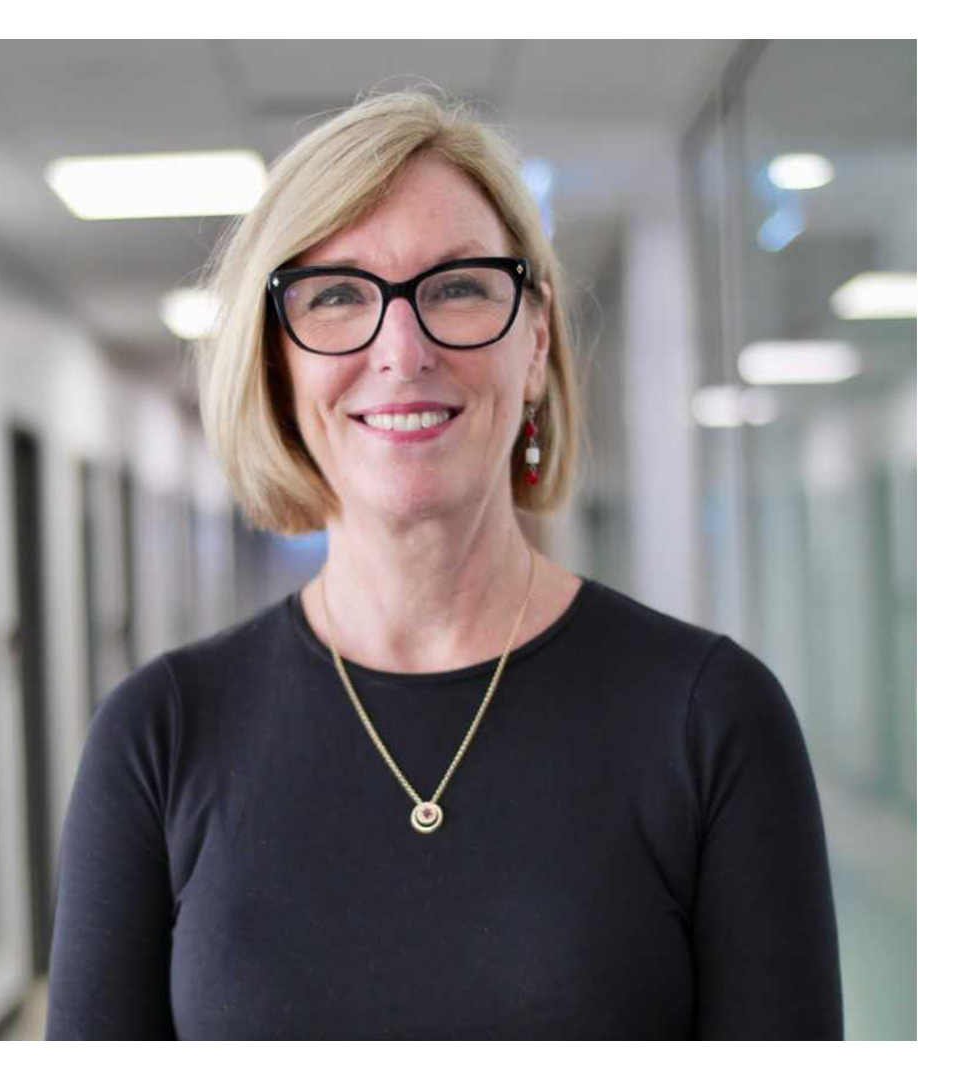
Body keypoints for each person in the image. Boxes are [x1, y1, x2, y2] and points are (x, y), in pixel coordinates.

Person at [46, 90, 843, 1040]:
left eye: (459, 286)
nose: (404, 348)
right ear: (277, 362)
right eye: (336, 295)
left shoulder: (712, 719)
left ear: (535, 340)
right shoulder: (160, 737)